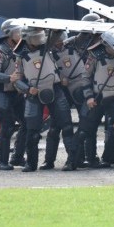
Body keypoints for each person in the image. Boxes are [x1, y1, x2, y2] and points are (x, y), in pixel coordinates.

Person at [14, 27, 77, 172]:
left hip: (55, 88)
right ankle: (31, 163)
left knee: (66, 126)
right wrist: (27, 89)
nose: (38, 39)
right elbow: (17, 80)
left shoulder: (47, 46)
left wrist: (51, 27)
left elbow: (56, 34)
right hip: (34, 94)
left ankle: (72, 161)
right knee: (32, 131)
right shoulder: (20, 55)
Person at [39, 30, 90, 169]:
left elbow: (83, 37)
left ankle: (80, 158)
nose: (58, 44)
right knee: (56, 126)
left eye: (60, 40)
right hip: (61, 88)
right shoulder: (46, 51)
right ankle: (49, 160)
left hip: (79, 84)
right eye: (56, 41)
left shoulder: (73, 44)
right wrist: (60, 78)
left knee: (84, 123)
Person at [77, 36, 114, 168]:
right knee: (86, 129)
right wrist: (88, 97)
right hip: (97, 96)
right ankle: (84, 158)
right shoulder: (94, 55)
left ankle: (110, 158)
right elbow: (85, 77)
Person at [0, 19, 27, 170]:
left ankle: (17, 157)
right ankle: (1, 162)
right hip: (0, 92)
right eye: (18, 31)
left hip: (16, 92)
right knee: (8, 125)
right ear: (9, 34)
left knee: (27, 123)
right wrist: (10, 78)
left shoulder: (22, 48)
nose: (21, 34)